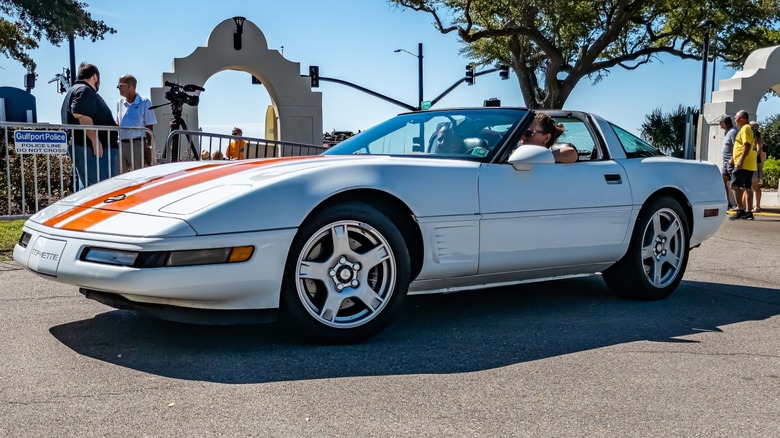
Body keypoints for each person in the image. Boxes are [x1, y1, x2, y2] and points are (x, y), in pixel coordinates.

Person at [60, 63, 118, 189]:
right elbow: (81, 115)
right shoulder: (84, 90)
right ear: (95, 77)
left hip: (87, 149)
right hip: (92, 151)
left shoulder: (76, 90)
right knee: (100, 189)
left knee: (89, 188)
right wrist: (95, 140)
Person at [116, 74, 157, 173]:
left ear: (130, 86)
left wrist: (149, 147)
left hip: (138, 144)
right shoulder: (119, 103)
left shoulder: (145, 103)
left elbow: (149, 126)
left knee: (139, 175)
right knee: (120, 178)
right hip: (121, 144)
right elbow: (118, 121)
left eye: (120, 85)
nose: (118, 88)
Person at [729, 110, 757, 220]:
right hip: (749, 164)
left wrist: (740, 160)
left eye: (736, 118)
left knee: (734, 185)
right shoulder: (748, 129)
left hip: (743, 164)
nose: (735, 120)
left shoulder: (745, 129)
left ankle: (740, 209)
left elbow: (746, 146)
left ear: (742, 118)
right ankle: (749, 212)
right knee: (747, 187)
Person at [719, 116, 738, 209]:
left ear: (724, 124)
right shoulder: (727, 132)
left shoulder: (733, 132)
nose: (720, 126)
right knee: (723, 180)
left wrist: (733, 159)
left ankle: (739, 205)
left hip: (731, 162)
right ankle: (728, 203)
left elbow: (737, 146)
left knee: (735, 184)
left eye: (721, 124)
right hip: (725, 162)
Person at [748, 121, 766, 212]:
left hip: (754, 163)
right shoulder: (756, 137)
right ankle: (752, 206)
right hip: (754, 163)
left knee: (754, 186)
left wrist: (751, 156)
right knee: (752, 186)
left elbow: (758, 149)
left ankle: (757, 206)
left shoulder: (757, 138)